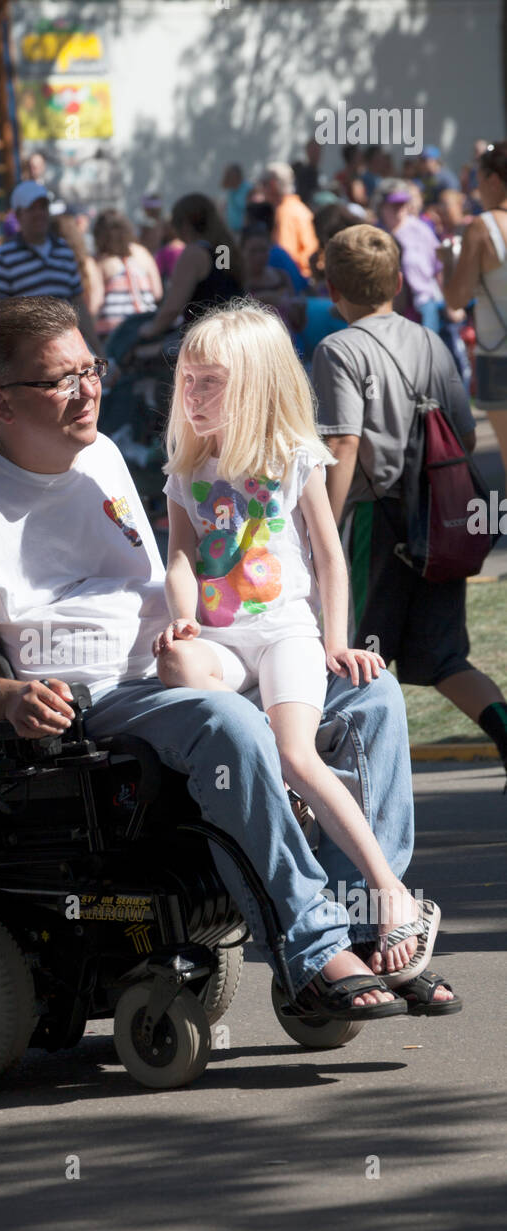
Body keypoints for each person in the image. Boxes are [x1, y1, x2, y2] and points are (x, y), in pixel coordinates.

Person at [0, 294, 450, 1021]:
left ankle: (370, 927)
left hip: (199, 659)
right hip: (105, 698)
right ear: (2, 403)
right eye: (61, 380)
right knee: (229, 724)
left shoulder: (99, 455)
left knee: (370, 699)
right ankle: (313, 948)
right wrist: (7, 699)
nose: (89, 389)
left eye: (89, 368)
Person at [151, 301, 451, 1005]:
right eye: (186, 380)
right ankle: (313, 873)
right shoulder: (186, 470)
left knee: (297, 751)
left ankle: (387, 892)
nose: (191, 395)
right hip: (224, 643)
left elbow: (329, 557)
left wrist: (337, 641)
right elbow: (181, 560)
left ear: (255, 386)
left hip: (286, 632)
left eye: (210, 382)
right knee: (177, 666)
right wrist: (183, 620)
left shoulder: (294, 457)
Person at [312, 224, 507, 787]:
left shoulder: (338, 349)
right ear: (398, 280)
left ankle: (350, 784)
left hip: (377, 519)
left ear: (332, 289)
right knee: (444, 658)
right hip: (436, 523)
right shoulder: (430, 341)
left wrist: (324, 520)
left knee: (352, 654)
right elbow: (464, 438)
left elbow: (344, 441)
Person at [443, 140, 507, 470]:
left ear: (494, 179)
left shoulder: (483, 227)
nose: (475, 188)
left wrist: (447, 265)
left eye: (478, 179)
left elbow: (455, 299)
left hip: (499, 354)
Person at [0, 182, 100, 349]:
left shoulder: (63, 250)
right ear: (18, 215)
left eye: (43, 207)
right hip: (27, 351)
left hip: (68, 344)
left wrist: (96, 347)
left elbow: (78, 303)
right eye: (32, 208)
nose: (39, 213)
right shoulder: (3, 257)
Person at [137, 193, 242, 343]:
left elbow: (173, 308)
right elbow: (222, 288)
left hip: (206, 338)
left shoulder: (193, 254)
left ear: (184, 225)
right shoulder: (223, 249)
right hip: (234, 332)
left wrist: (150, 329)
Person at [376, 179, 444, 331]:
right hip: (387, 307)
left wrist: (451, 304)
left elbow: (438, 266)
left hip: (422, 304)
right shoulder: (375, 233)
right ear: (381, 206)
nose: (400, 209)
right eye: (394, 204)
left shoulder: (421, 229)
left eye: (403, 203)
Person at [90, 209, 162, 338]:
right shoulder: (143, 253)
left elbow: (95, 302)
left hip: (112, 333)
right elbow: (157, 293)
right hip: (145, 325)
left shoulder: (100, 262)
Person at [261, 162, 318, 282]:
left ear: (272, 185)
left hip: (297, 279)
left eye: (263, 184)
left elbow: (285, 256)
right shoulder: (297, 207)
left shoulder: (285, 213)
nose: (261, 189)